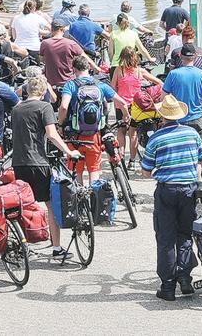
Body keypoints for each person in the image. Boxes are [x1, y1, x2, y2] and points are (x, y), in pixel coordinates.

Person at [140, 95, 202, 302]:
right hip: (189, 190)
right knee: (185, 235)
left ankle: (168, 286)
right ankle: (185, 278)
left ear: (162, 116)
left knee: (165, 239)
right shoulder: (192, 133)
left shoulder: (156, 138)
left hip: (167, 190)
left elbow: (145, 171)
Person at [10, 75, 81, 261]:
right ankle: (56, 248)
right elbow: (51, 134)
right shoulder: (44, 107)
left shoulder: (16, 109)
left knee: (23, 205)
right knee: (50, 204)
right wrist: (68, 151)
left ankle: (23, 244)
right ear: (43, 92)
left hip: (18, 163)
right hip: (38, 161)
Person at [58, 55, 128, 184]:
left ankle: (80, 200)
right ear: (89, 67)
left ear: (73, 69)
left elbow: (63, 107)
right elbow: (122, 103)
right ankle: (94, 199)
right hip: (94, 135)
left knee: (77, 171)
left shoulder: (70, 85)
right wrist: (126, 116)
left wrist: (60, 125)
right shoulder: (100, 85)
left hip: (75, 136)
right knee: (94, 170)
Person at [111, 47, 161, 163]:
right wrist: (150, 92)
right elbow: (159, 82)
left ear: (122, 58)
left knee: (121, 131)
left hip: (121, 104)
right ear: (135, 57)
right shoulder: (140, 71)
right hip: (136, 106)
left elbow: (113, 88)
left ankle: (121, 155)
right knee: (133, 133)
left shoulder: (119, 70)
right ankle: (132, 161)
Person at [161, 44, 202, 141]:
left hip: (178, 119)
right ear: (195, 56)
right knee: (200, 151)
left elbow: (163, 97)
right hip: (197, 119)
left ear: (180, 56)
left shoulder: (173, 74)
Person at [41, 21, 96, 91]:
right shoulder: (71, 43)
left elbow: (42, 60)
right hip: (68, 82)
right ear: (63, 30)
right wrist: (97, 68)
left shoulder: (45, 43)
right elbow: (85, 57)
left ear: (51, 29)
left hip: (51, 83)